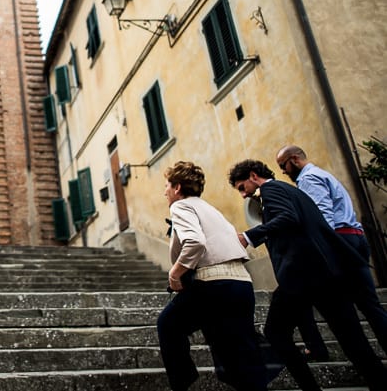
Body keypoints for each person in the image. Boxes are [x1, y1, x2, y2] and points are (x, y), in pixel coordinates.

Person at [228, 159, 387, 391]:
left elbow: (288, 218)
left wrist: (249, 236)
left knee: (275, 332)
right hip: (326, 273)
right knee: (352, 338)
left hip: (302, 275)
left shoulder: (271, 189)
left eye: (242, 187)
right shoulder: (292, 189)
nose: (243, 195)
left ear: (253, 176)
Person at [156, 161, 267, 391]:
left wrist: (175, 274)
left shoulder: (180, 206)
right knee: (239, 353)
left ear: (177, 188)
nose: (164, 191)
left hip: (213, 284)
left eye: (166, 185)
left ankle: (182, 383)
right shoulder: (211, 209)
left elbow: (195, 242)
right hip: (241, 283)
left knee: (168, 324)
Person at [276, 144, 387, 355]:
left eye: (284, 165)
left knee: (349, 310)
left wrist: (320, 252)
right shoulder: (322, 174)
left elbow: (322, 218)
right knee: (370, 305)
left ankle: (363, 358)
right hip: (355, 238)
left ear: (295, 159)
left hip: (340, 241)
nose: (283, 171)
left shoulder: (308, 179)